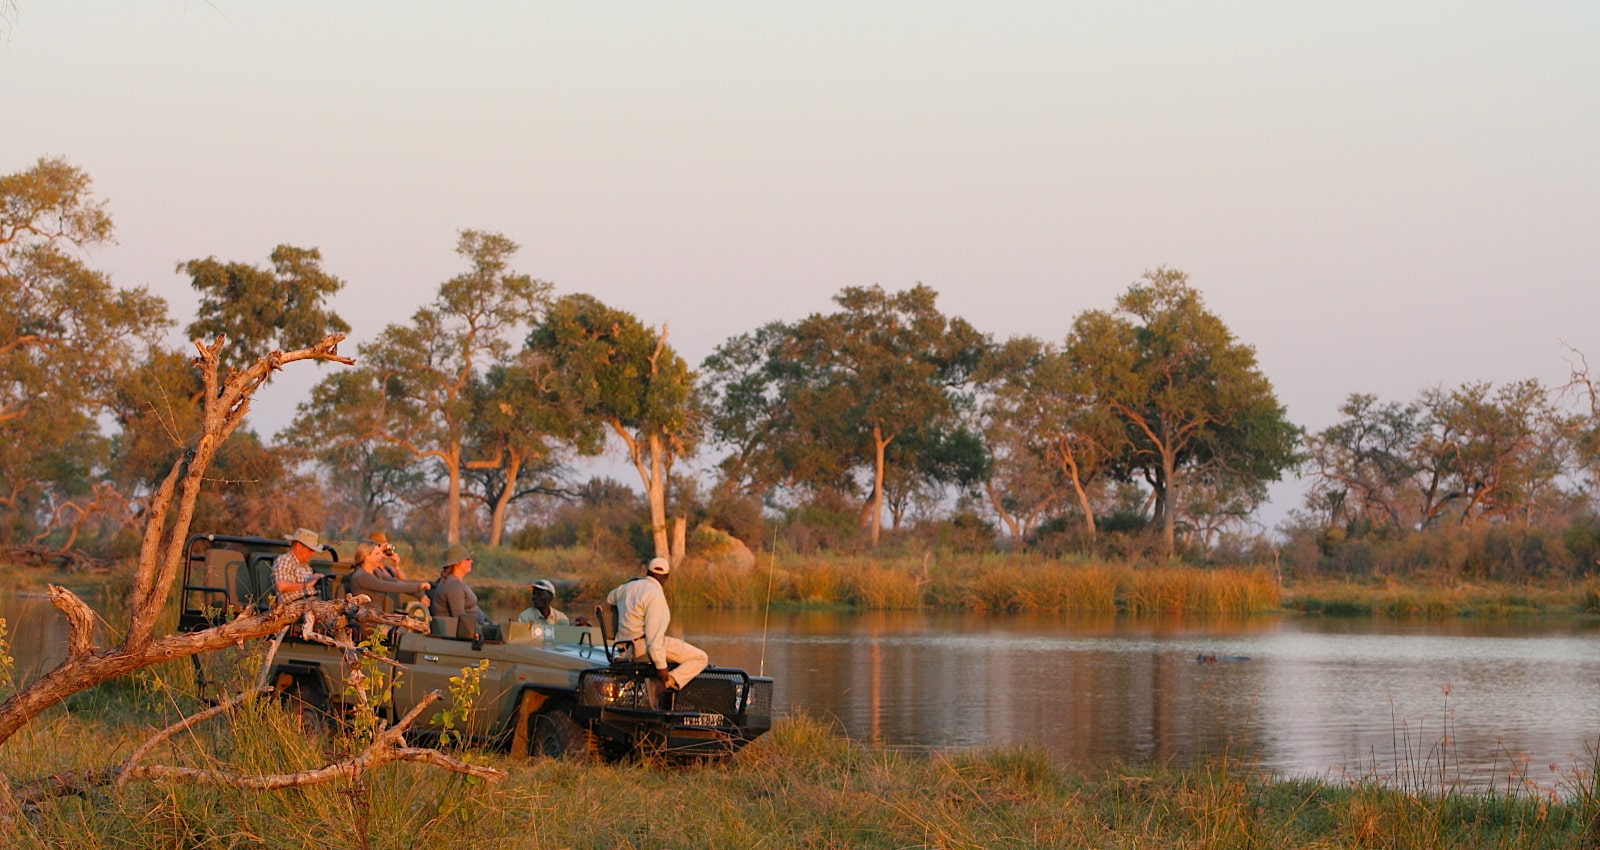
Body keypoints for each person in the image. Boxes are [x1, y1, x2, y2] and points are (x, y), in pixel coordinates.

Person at [605, 557, 707, 691]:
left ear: (647, 572)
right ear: (667, 576)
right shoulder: (655, 596)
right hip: (642, 648)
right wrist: (661, 666)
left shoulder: (627, 587)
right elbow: (654, 639)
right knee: (700, 657)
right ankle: (663, 685)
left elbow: (609, 599)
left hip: (623, 650)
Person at [348, 539, 431, 614]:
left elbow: (396, 582)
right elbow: (389, 586)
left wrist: (419, 594)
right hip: (366, 621)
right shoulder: (361, 576)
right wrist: (418, 586)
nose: (381, 556)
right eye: (377, 554)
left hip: (376, 617)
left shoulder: (375, 572)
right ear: (366, 556)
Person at [428, 544, 493, 638]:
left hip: (477, 627)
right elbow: (460, 618)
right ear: (457, 563)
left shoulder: (454, 582)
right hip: (465, 635)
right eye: (467, 559)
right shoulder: (453, 586)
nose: (471, 561)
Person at [272, 528, 326, 605]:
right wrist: (308, 584)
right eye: (310, 550)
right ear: (299, 546)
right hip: (295, 605)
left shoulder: (306, 566)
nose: (312, 554)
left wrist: (318, 578)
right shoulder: (284, 560)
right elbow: (280, 586)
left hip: (312, 602)